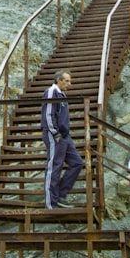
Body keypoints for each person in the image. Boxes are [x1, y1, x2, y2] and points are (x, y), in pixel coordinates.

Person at [40, 70, 83, 209]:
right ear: (58, 80)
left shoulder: (62, 94)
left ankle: (60, 195)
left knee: (77, 163)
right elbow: (48, 114)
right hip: (55, 135)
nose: (69, 84)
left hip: (65, 135)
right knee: (54, 166)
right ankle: (50, 203)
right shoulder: (52, 92)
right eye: (67, 81)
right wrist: (55, 133)